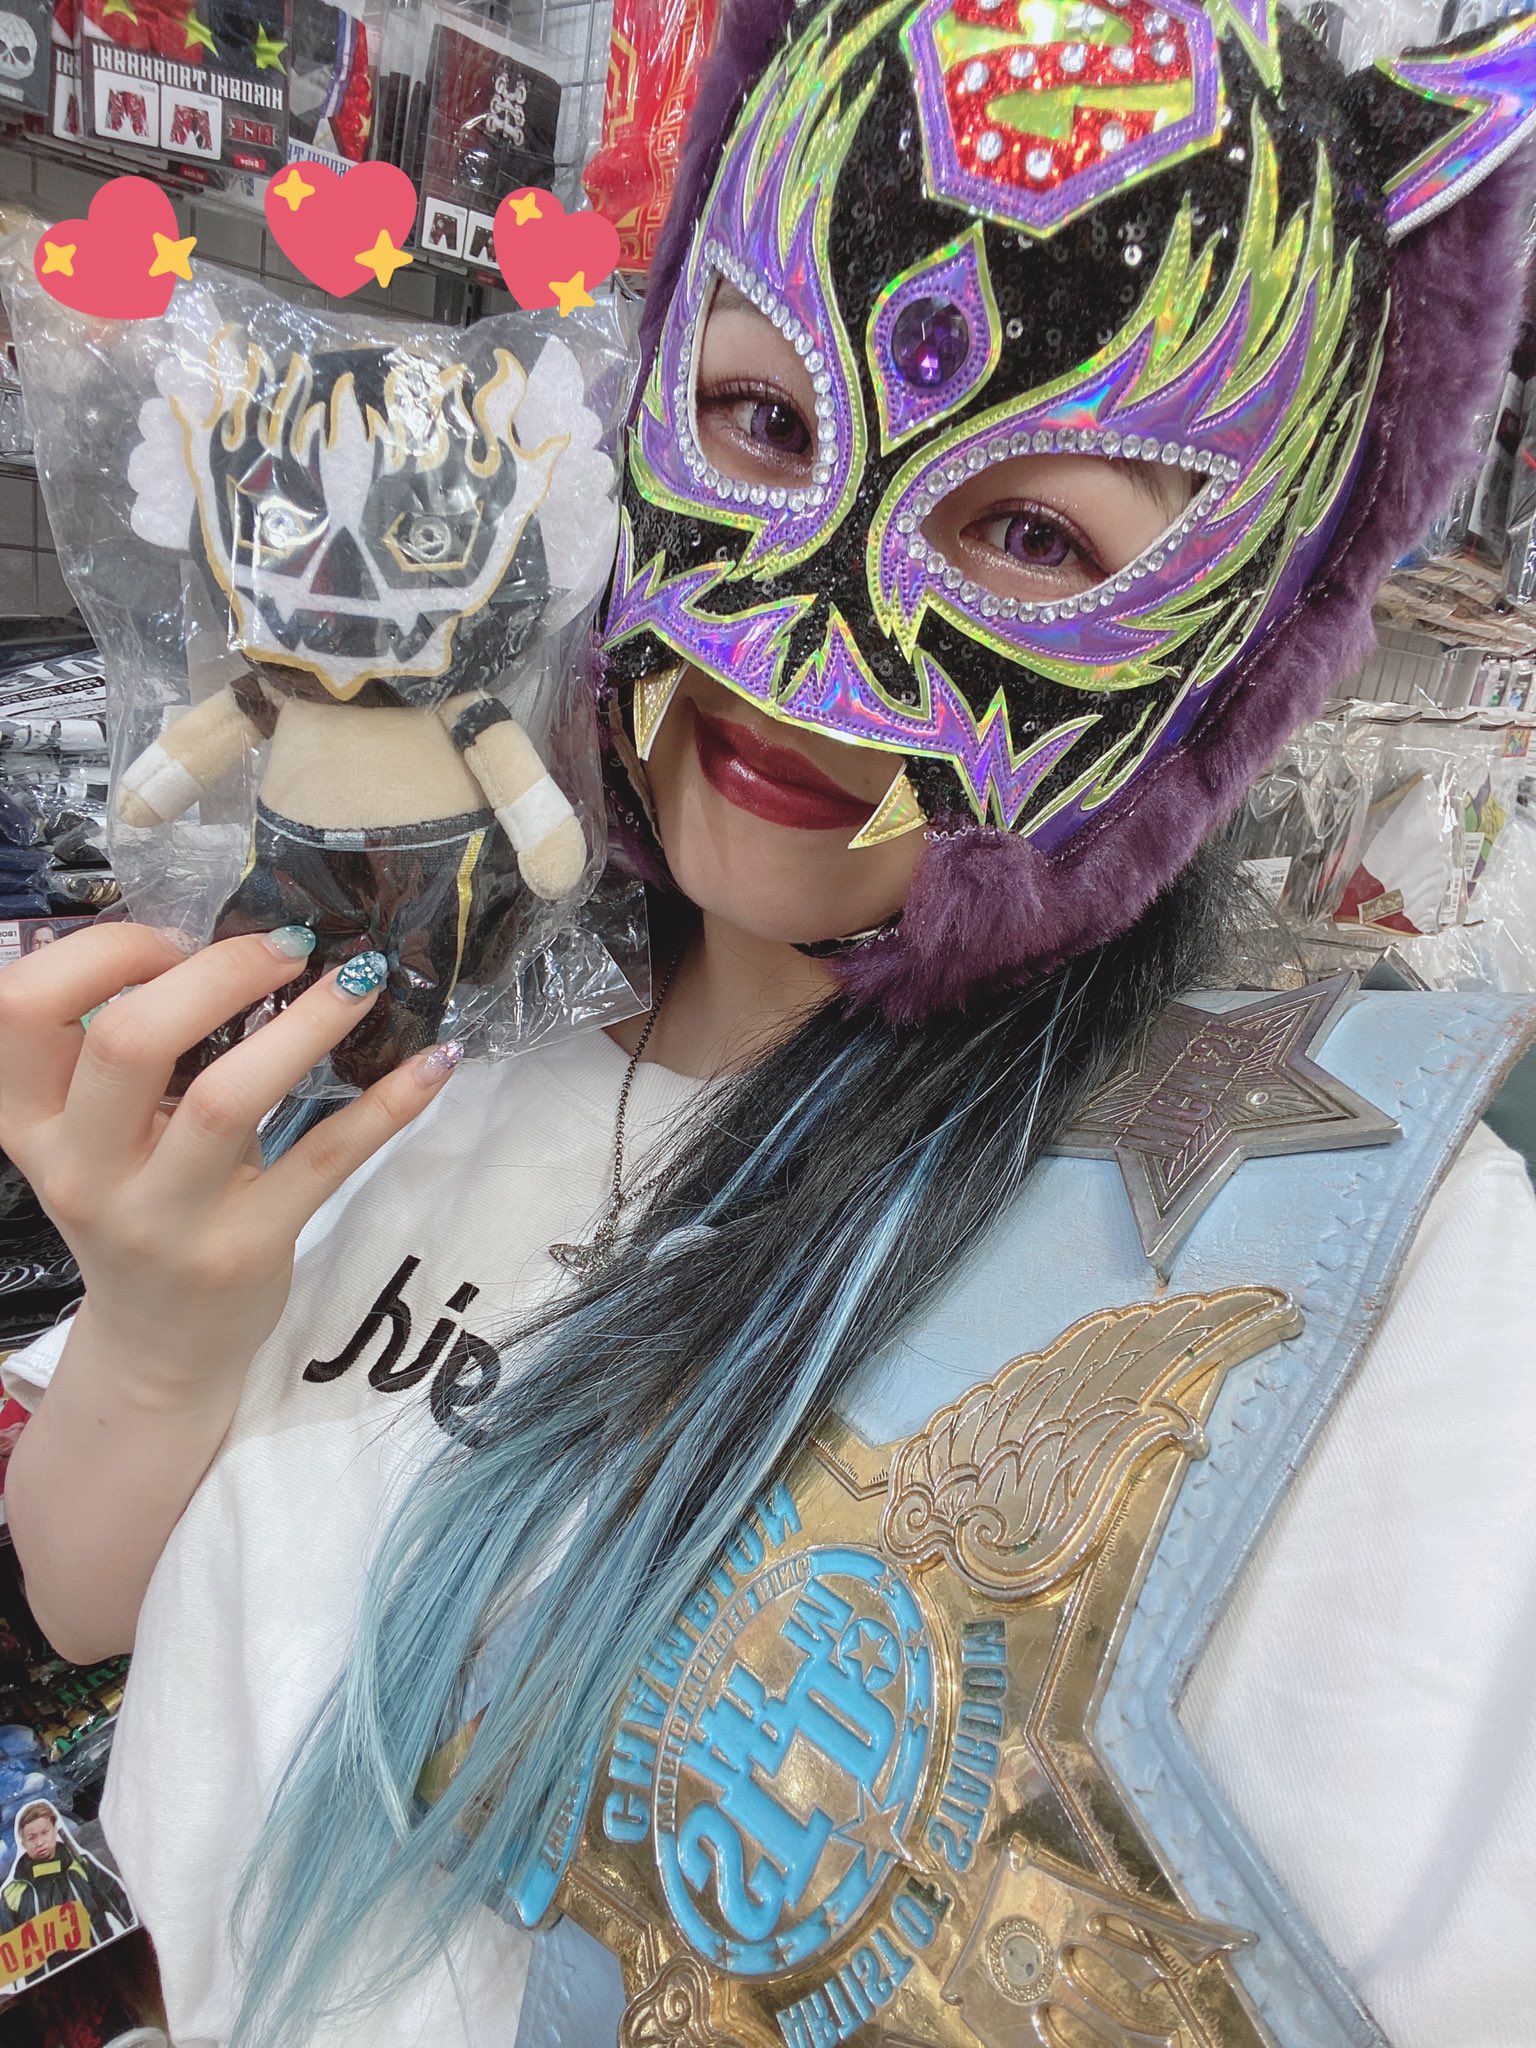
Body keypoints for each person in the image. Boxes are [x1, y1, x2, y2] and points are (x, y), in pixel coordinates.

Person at [0, 2, 1534, 2045]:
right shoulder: (421, 1021)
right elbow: (94, 1605)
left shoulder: (1355, 1281)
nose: (803, 636)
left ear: (1242, 646)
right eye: (759, 419)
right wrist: (153, 1330)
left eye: (1033, 534)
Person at [0, 1800, 133, 1975]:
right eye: (32, 1838)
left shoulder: (83, 1867)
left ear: (55, 1829)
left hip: (108, 1966)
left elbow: (122, 1906)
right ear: (23, 1842)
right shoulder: (12, 1893)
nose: (40, 1842)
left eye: (44, 1833)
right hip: (55, 1984)